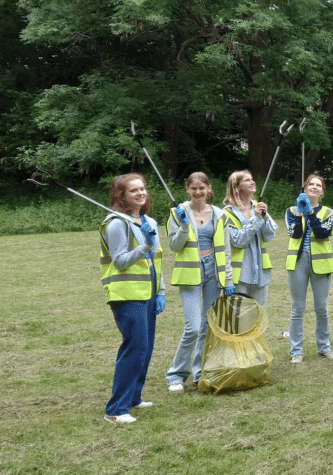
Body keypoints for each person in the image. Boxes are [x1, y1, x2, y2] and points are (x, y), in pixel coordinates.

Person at [100, 173, 165, 423]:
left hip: (148, 292)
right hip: (126, 294)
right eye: (133, 190)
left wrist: (160, 292)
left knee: (145, 348)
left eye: (142, 189)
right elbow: (120, 261)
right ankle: (116, 409)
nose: (141, 193)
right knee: (135, 347)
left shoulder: (148, 221)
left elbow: (156, 261)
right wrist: (145, 245)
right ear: (120, 196)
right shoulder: (116, 223)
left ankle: (134, 397)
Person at [165, 172, 234, 392]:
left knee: (207, 326)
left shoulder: (219, 214)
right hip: (190, 273)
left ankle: (199, 372)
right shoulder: (177, 213)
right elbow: (174, 246)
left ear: (208, 189)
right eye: (193, 188)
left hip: (214, 272)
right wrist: (185, 226)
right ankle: (176, 375)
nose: (198, 192)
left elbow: (226, 248)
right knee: (193, 327)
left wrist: (229, 278)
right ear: (187, 189)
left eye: (201, 188)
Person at [285, 175, 333, 364]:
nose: (314, 187)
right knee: (297, 308)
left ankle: (324, 347)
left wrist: (311, 214)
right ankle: (296, 350)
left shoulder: (329, 212)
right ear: (304, 188)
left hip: (321, 263)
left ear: (322, 192)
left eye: (318, 185)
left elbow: (323, 233)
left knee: (321, 307)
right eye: (311, 184)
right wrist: (301, 213)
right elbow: (295, 233)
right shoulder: (291, 210)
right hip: (298, 263)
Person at [223, 170, 277, 306]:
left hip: (260, 273)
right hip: (240, 275)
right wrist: (255, 219)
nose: (252, 182)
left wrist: (264, 217)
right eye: (247, 180)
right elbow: (237, 241)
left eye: (252, 179)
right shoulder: (227, 213)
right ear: (236, 186)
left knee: (259, 315)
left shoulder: (257, 207)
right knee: (240, 317)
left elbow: (270, 235)